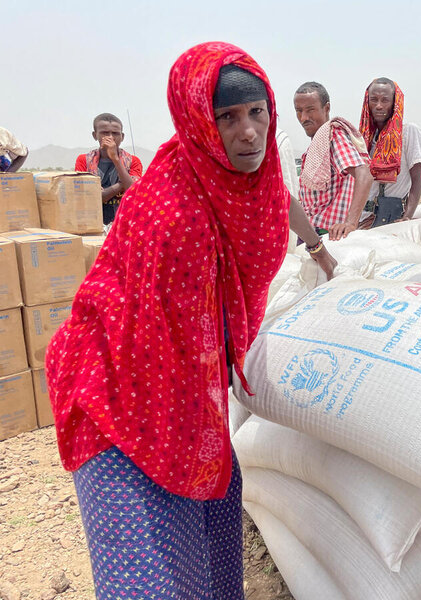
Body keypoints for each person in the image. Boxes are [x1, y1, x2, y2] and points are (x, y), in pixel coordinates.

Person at [46, 42, 335, 600]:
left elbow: (282, 198)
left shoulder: (251, 178)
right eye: (227, 117)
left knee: (205, 558)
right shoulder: (173, 206)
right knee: (148, 577)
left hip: (183, 394)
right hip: (118, 397)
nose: (248, 131)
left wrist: (319, 249)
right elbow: (150, 335)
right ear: (200, 122)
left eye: (257, 112)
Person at [293, 81, 373, 241]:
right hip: (314, 232)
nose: (304, 118)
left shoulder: (333, 136)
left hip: (327, 235)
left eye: (310, 110)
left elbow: (364, 174)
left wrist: (351, 223)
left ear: (327, 108)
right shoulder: (319, 142)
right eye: (299, 111)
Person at [359, 77, 421, 227]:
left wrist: (407, 217)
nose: (379, 106)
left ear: (395, 102)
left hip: (390, 218)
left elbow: (417, 180)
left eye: (385, 100)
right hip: (363, 218)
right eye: (374, 100)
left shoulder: (408, 132)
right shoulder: (365, 138)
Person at [75, 113, 143, 225]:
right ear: (95, 135)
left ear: (122, 137)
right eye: (104, 133)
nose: (110, 137)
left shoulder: (133, 161)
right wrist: (121, 185)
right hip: (92, 222)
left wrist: (115, 159)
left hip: (124, 222)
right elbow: (90, 198)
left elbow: (134, 193)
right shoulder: (84, 161)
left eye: (115, 133)